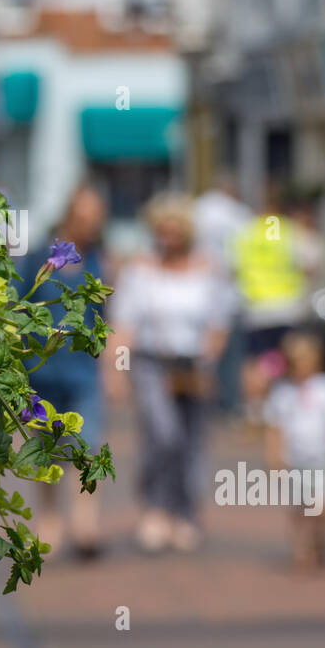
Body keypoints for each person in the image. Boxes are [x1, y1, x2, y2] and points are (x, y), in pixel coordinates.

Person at [108, 193, 229, 554]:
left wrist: (209, 358)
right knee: (163, 434)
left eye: (175, 229)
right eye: (163, 230)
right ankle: (155, 507)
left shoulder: (208, 268)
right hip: (151, 362)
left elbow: (219, 322)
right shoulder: (140, 269)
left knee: (192, 441)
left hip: (193, 363)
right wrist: (116, 370)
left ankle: (185, 512)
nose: (169, 237)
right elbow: (123, 323)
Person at [17, 182, 108, 557]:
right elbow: (20, 303)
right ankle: (50, 518)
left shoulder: (101, 260)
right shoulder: (40, 255)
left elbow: (108, 317)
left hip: (83, 372)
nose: (91, 227)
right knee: (45, 449)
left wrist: (115, 368)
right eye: (85, 218)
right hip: (41, 371)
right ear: (70, 216)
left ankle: (85, 522)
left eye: (97, 220)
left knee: (85, 447)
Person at [263, 331, 325, 571]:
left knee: (323, 506)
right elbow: (274, 427)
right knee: (298, 508)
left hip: (324, 458)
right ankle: (301, 550)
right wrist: (274, 458)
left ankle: (321, 541)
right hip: (295, 460)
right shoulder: (282, 392)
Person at [231, 185, 312, 433]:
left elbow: (233, 267)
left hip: (256, 307)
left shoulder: (246, 233)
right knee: (285, 358)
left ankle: (255, 409)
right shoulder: (289, 231)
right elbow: (310, 262)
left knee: (254, 360)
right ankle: (285, 405)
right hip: (287, 306)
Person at [194, 172, 251, 415]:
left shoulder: (198, 210)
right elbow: (246, 256)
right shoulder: (240, 215)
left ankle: (202, 398)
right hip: (229, 293)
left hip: (199, 290)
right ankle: (228, 401)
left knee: (202, 349)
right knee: (230, 353)